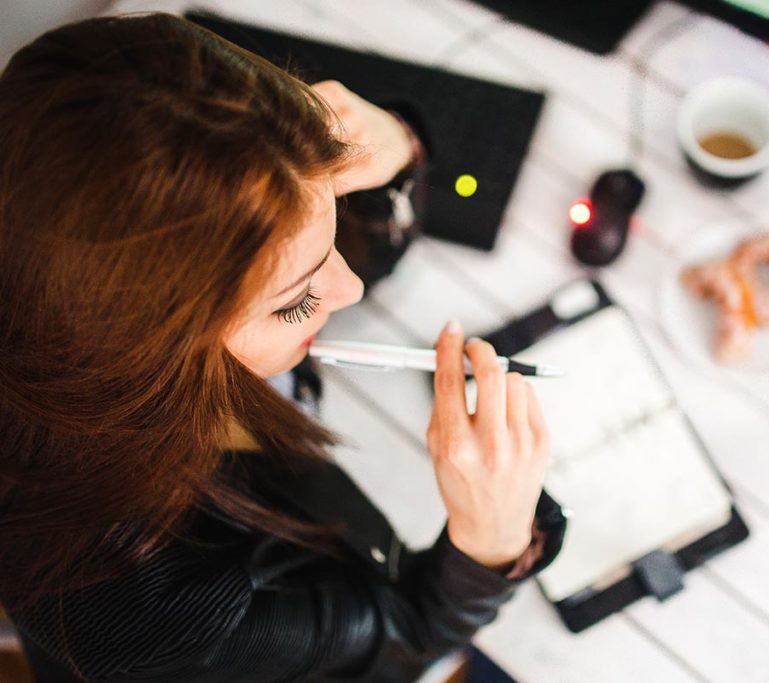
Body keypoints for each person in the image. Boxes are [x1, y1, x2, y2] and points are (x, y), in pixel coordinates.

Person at [0, 12, 565, 682]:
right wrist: (489, 543)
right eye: (295, 299)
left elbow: (310, 247)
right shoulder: (150, 605)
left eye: (330, 209)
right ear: (149, 350)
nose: (349, 288)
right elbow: (404, 643)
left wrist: (396, 143)